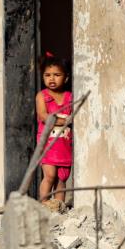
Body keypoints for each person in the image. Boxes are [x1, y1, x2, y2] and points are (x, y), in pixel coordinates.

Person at [35, 53, 73, 203]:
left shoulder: (70, 96)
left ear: (66, 77)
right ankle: (44, 205)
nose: (51, 78)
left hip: (64, 144)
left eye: (57, 75)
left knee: (61, 179)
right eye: (47, 75)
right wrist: (65, 120)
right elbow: (44, 116)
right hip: (48, 143)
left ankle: (59, 208)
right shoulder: (42, 96)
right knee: (50, 175)